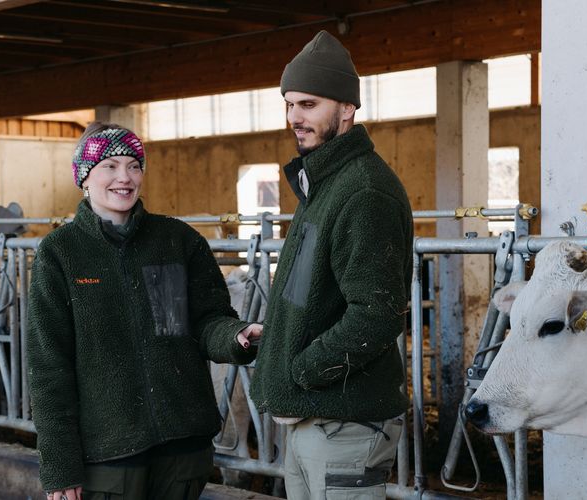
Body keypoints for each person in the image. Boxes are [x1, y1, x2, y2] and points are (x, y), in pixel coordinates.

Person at [26, 122, 262, 500]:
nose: (125, 177)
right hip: (108, 455)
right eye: (110, 166)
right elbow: (48, 368)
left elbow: (207, 320)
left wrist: (234, 336)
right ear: (84, 177)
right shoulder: (60, 255)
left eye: (134, 166)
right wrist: (58, 467)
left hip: (182, 448)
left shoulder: (176, 240)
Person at [249, 31, 413, 500]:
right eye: (289, 104)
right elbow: (312, 291)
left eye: (308, 104)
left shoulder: (363, 191)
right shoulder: (323, 182)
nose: (294, 117)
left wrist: (301, 369)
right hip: (313, 419)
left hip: (345, 424)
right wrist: (282, 336)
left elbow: (377, 313)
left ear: (346, 108)